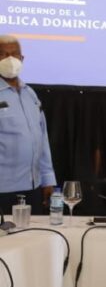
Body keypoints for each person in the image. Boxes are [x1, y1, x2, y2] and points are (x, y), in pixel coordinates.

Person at [0, 34, 56, 215]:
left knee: (34, 233)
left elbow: (42, 138)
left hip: (33, 188)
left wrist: (47, 179)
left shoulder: (30, 94)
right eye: (3, 54)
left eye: (14, 54)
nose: (10, 59)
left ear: (22, 59)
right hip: (3, 191)